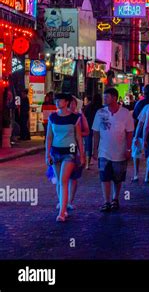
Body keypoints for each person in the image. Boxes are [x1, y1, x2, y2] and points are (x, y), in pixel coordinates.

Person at [92, 88, 134, 212]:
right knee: (104, 177)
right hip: (104, 152)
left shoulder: (125, 113)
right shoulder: (100, 113)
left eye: (107, 97)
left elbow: (129, 132)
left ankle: (115, 199)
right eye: (104, 97)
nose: (104, 99)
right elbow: (96, 132)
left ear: (115, 98)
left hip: (120, 152)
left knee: (118, 177)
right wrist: (94, 149)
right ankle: (106, 201)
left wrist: (128, 149)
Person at [45, 93, 85, 222]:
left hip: (69, 152)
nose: (57, 102)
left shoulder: (74, 118)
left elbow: (79, 137)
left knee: (63, 180)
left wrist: (82, 155)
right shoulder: (53, 117)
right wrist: (47, 153)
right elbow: (49, 137)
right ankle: (63, 205)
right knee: (59, 180)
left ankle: (62, 212)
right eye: (56, 100)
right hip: (55, 152)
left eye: (60, 100)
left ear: (67, 102)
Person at [66, 96, 90, 210]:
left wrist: (78, 135)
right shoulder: (60, 117)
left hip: (74, 147)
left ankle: (69, 201)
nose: (72, 105)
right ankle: (63, 200)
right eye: (70, 103)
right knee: (63, 177)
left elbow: (87, 131)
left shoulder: (79, 117)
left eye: (73, 103)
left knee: (73, 176)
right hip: (62, 148)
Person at [83, 94, 103, 169]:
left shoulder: (88, 107)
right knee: (99, 144)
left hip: (89, 127)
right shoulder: (101, 108)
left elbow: (84, 117)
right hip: (99, 128)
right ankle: (99, 162)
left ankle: (87, 163)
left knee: (88, 144)